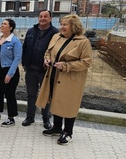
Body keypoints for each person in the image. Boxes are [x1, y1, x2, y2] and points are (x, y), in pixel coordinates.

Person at [36, 14, 92, 145]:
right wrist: (47, 58)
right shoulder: (56, 37)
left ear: (74, 26)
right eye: (61, 24)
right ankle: (56, 127)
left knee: (68, 104)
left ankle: (68, 132)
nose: (61, 27)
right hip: (54, 75)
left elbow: (86, 62)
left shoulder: (83, 42)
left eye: (65, 24)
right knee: (56, 100)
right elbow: (48, 52)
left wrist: (66, 66)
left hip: (70, 79)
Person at [21, 10, 59, 129]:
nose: (42, 18)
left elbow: (56, 51)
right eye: (41, 16)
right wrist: (24, 62)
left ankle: (46, 119)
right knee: (31, 94)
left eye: (45, 16)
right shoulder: (31, 31)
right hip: (31, 69)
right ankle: (30, 117)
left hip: (45, 70)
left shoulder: (55, 33)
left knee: (45, 95)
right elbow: (25, 47)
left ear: (50, 18)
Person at [0, 18, 22, 127]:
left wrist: (10, 74)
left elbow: (17, 58)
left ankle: (11, 117)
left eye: (5, 24)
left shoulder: (15, 41)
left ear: (10, 28)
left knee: (9, 94)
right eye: (1, 23)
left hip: (8, 70)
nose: (2, 25)